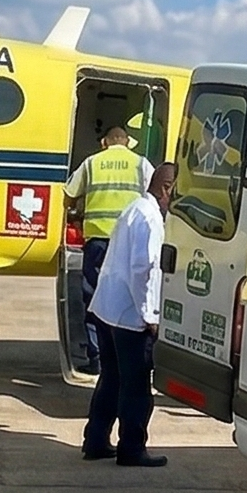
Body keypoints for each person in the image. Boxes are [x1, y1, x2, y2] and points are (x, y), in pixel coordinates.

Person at [83, 161, 174, 468]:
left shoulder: (134, 208)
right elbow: (143, 269)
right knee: (136, 385)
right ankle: (131, 449)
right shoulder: (151, 219)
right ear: (166, 189)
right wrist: (151, 315)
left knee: (111, 379)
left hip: (107, 308)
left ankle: (95, 441)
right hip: (128, 315)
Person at [61, 125, 151, 371]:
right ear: (127, 142)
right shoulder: (141, 164)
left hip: (98, 240)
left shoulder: (91, 163)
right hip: (131, 241)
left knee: (94, 297)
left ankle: (97, 359)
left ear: (105, 143)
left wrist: (79, 207)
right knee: (131, 297)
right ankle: (128, 357)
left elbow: (68, 195)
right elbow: (155, 196)